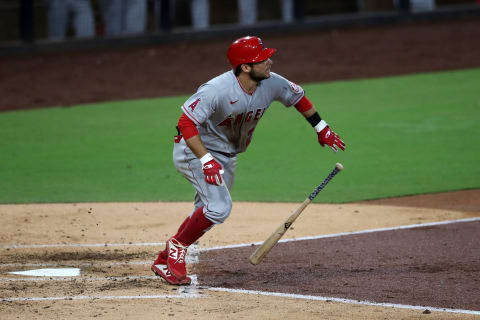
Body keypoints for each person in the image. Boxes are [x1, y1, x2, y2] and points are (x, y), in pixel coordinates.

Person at [151, 36, 346, 285]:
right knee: (219, 208)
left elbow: (298, 97)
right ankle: (177, 248)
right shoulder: (216, 90)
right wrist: (207, 160)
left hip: (227, 155)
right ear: (245, 67)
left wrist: (321, 127)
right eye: (262, 59)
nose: (270, 62)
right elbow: (186, 124)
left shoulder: (272, 83)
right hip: (195, 151)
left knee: (207, 211)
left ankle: (163, 259)